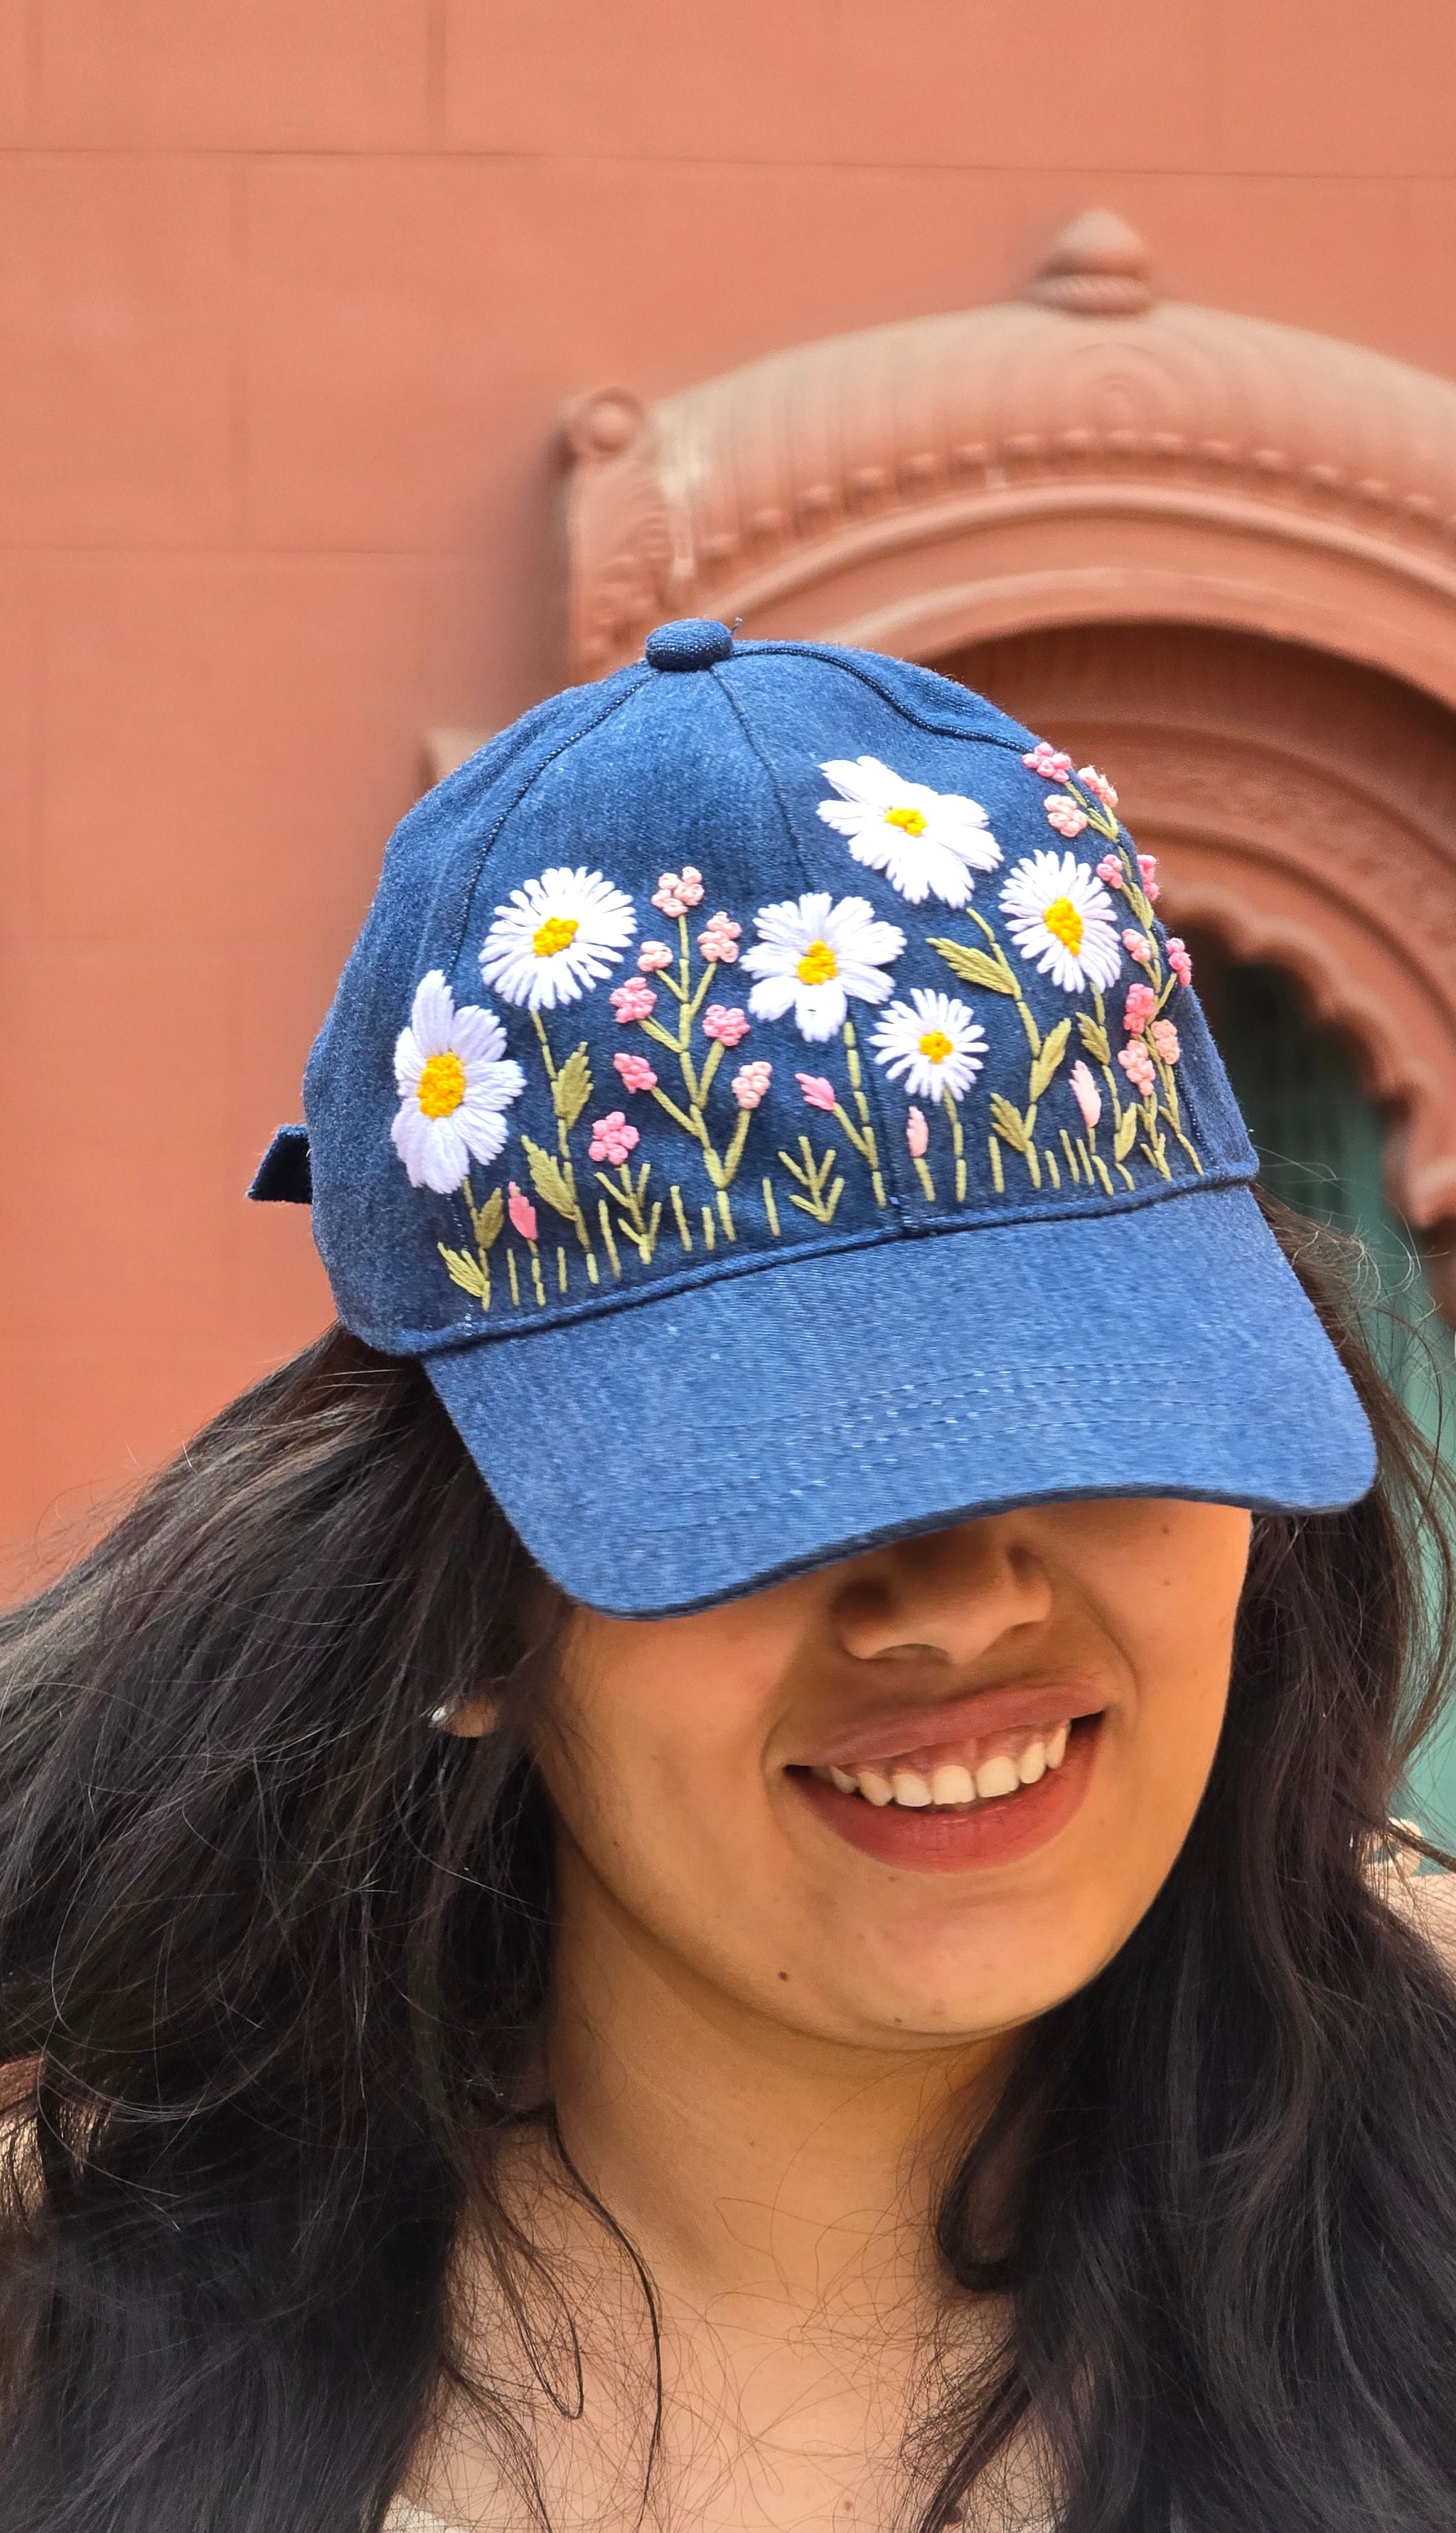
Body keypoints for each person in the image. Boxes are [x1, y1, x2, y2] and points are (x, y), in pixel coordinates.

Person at [0, 618, 1453, 2533]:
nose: (949, 1605)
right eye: (763, 1478)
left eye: (1081, 1420)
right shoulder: (64, 2372)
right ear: (468, 1614)